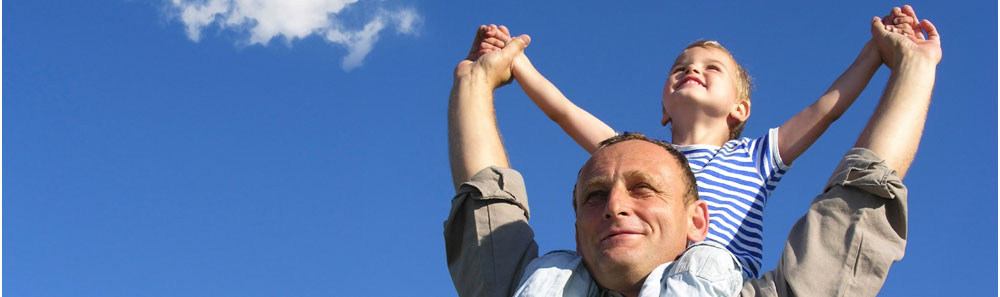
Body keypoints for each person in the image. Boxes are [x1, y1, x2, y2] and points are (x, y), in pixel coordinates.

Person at [445, 5, 940, 297]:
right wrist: (515, 63)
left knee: (703, 264)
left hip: (709, 280)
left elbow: (827, 109)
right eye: (680, 67)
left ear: (740, 109)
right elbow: (563, 111)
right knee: (554, 272)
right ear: (663, 108)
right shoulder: (634, 157)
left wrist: (876, 54)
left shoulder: (757, 155)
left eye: (712, 67)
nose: (692, 69)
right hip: (613, 275)